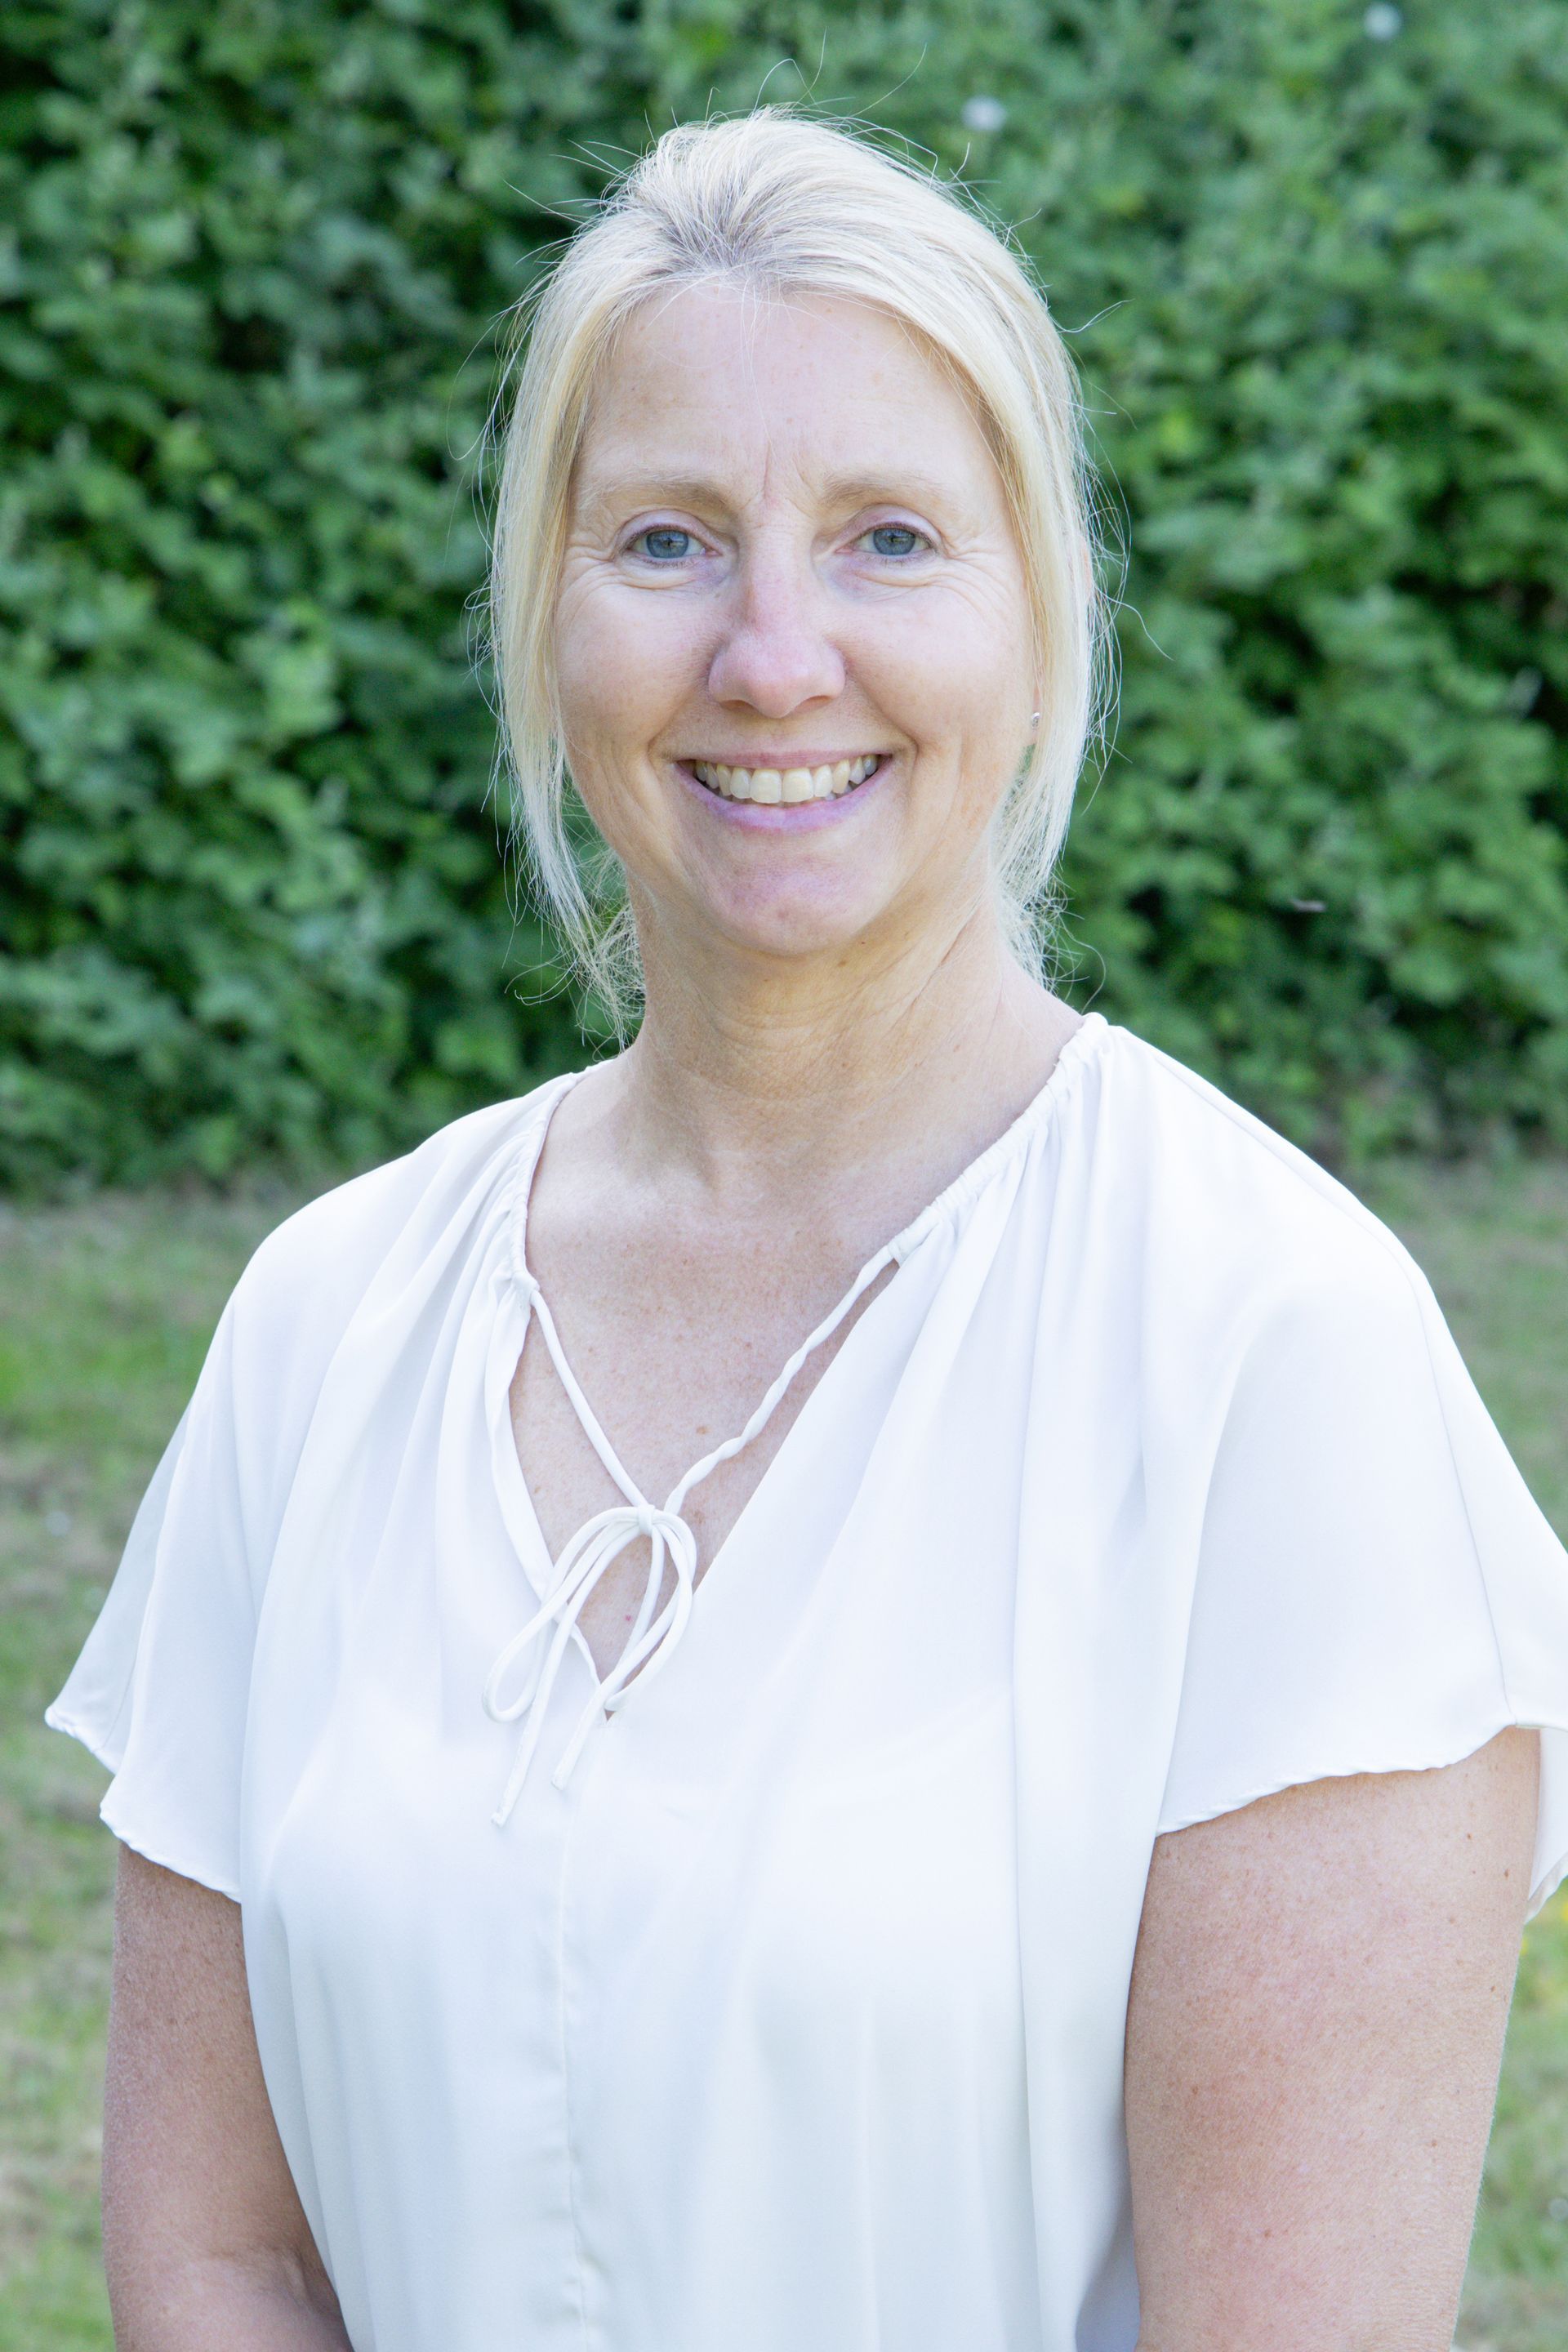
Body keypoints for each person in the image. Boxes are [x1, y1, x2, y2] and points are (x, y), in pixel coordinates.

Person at [48, 109, 1568, 2352]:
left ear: (1036, 616)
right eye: (668, 539)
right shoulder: (325, 1324)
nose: (774, 658)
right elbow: (218, 2253)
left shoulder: (1269, 1350)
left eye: (886, 540)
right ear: (546, 617)